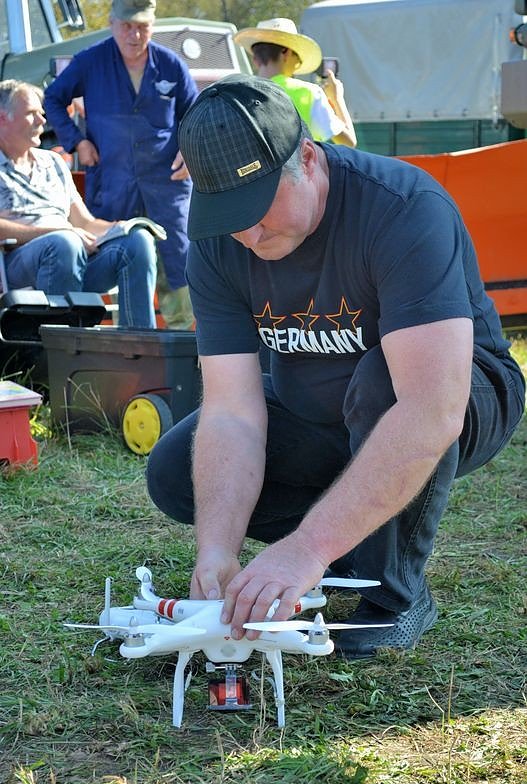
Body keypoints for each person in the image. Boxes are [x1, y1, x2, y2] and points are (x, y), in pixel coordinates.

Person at [146, 75, 525, 659]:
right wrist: (217, 551)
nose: (247, 232)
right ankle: (359, 542)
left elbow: (432, 406)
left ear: (307, 157)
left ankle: (393, 590)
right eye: (228, 214)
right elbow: (232, 409)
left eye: (257, 206)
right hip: (315, 402)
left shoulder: (402, 209)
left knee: (382, 385)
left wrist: (306, 549)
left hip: (459, 391)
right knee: (175, 469)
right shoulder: (219, 240)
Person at [44, 0, 198, 329]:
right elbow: (53, 97)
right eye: (127, 25)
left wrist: (190, 149)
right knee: (117, 256)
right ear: (113, 24)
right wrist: (77, 141)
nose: (134, 33)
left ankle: (185, 353)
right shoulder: (90, 61)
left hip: (167, 187)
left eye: (142, 26)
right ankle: (127, 347)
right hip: (113, 184)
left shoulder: (171, 65)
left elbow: (195, 114)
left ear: (152, 25)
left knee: (177, 267)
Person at [0, 80, 157, 328]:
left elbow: (83, 222)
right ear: (2, 119)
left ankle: (138, 347)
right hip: (17, 262)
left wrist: (119, 228)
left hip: (70, 255)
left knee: (138, 242)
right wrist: (60, 232)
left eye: (42, 114)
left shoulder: (53, 163)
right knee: (65, 243)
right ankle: (63, 349)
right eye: (32, 114)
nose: (42, 121)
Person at [234, 18, 357, 148]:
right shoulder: (308, 93)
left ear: (255, 59)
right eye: (298, 58)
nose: (298, 65)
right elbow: (349, 143)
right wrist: (337, 99)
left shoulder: (238, 94)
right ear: (286, 52)